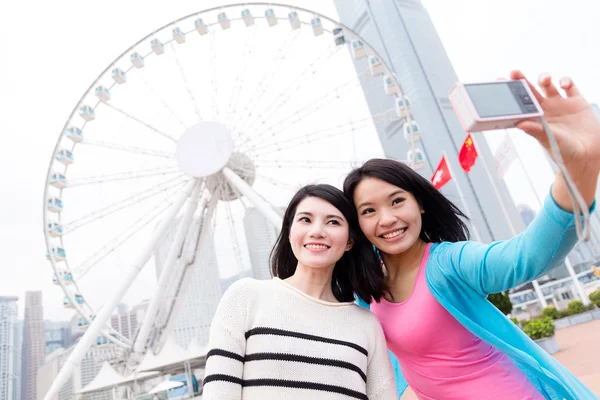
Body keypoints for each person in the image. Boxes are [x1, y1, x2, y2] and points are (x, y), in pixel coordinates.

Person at [343, 71, 600, 400]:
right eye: (369, 211)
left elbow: (527, 256)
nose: (387, 219)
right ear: (358, 224)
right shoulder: (368, 284)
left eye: (397, 201)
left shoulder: (450, 263)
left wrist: (580, 167)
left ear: (419, 203)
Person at [202, 184, 397, 399]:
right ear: (289, 231)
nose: (317, 232)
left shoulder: (367, 325)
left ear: (350, 241)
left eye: (333, 222)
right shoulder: (245, 297)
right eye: (305, 220)